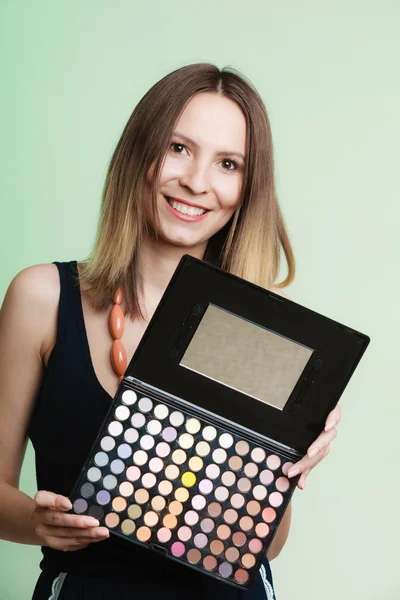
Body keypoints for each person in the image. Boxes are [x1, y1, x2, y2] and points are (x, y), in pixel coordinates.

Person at [0, 63, 341, 599]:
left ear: (246, 187)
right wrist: (37, 524)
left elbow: (266, 548)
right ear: (139, 152)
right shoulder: (42, 297)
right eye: (178, 148)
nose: (197, 182)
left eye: (228, 163)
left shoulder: (269, 325)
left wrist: (282, 473)